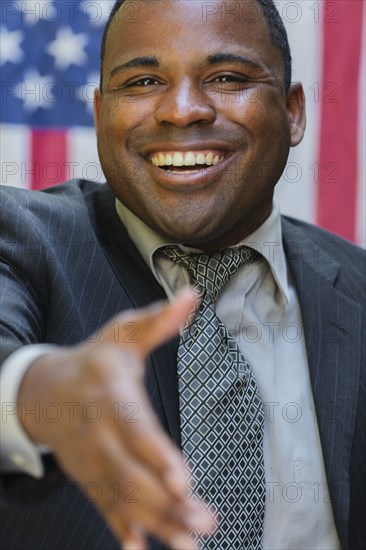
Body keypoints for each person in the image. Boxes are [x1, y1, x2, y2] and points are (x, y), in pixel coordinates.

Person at [0, 0, 365, 549]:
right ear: (100, 115)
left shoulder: (357, 286)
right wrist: (45, 389)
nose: (182, 110)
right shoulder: (20, 237)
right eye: (145, 81)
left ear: (293, 112)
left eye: (226, 77)